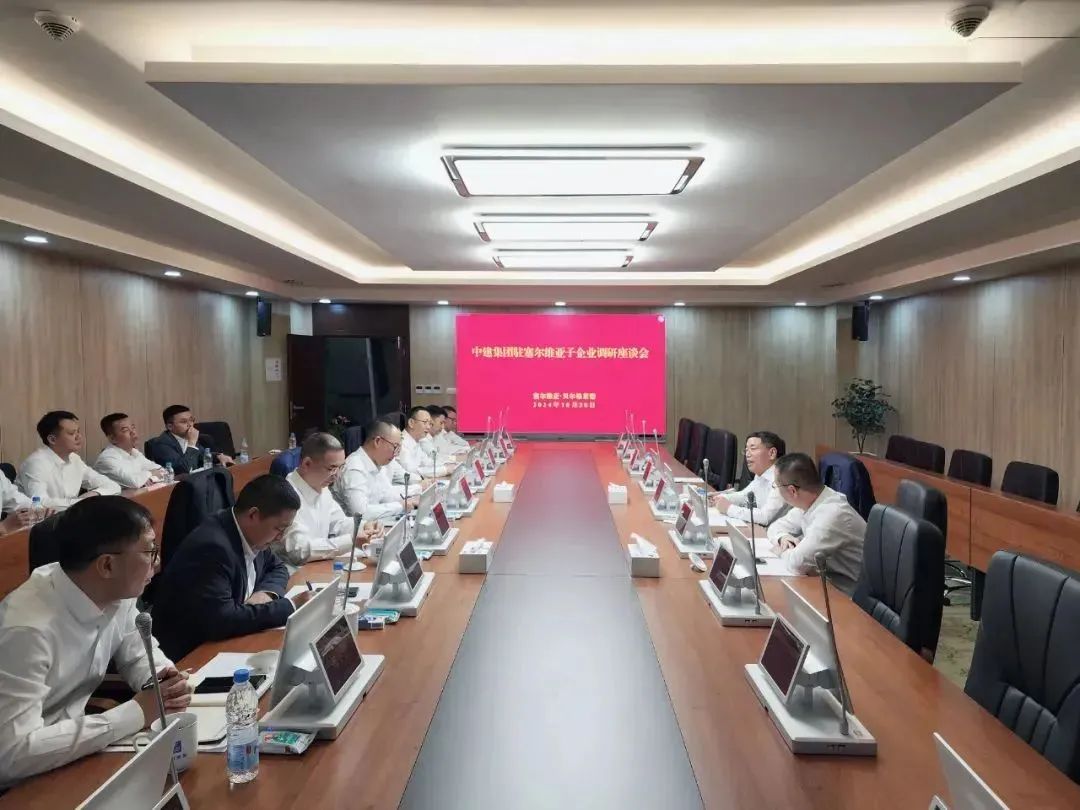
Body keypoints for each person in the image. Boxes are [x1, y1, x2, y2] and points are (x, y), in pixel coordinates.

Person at [0, 496, 191, 787]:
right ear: (107, 565)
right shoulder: (27, 629)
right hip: (21, 779)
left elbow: (138, 653)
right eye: (150, 551)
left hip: (74, 751)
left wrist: (164, 683)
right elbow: (11, 754)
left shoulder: (114, 592)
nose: (158, 562)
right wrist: (136, 712)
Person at [151, 475, 311, 661]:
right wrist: (291, 606)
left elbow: (277, 567)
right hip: (192, 656)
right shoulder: (212, 547)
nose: (280, 537)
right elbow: (222, 620)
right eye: (279, 529)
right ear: (253, 515)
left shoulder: (252, 533)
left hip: (229, 639)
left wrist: (266, 594)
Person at [273, 432, 382, 567]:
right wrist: (351, 540)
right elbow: (299, 551)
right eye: (332, 468)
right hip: (294, 571)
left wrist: (365, 527)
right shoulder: (286, 496)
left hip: (317, 566)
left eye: (340, 468)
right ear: (307, 464)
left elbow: (339, 523)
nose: (336, 475)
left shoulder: (322, 487)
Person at [766, 453, 867, 593]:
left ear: (792, 491)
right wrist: (782, 538)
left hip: (848, 594)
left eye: (776, 486)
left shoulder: (832, 514)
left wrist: (781, 551)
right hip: (824, 581)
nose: (776, 490)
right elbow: (775, 527)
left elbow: (796, 564)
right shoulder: (811, 500)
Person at [16, 411, 121, 510]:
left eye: (78, 431)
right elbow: (39, 503)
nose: (79, 436)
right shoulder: (35, 463)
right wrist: (81, 502)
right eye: (72, 433)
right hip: (39, 521)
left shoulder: (74, 459)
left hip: (70, 516)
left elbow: (113, 486)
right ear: (52, 439)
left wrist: (95, 494)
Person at [333, 418, 417, 520]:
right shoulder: (354, 468)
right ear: (377, 441)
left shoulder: (376, 463)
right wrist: (400, 506)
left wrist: (415, 496)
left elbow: (387, 494)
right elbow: (360, 513)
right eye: (395, 447)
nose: (396, 454)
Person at [709, 431, 789, 526]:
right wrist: (719, 498)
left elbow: (765, 517)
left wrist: (729, 508)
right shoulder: (761, 474)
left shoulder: (782, 479)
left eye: (753, 448)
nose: (747, 454)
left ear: (772, 453)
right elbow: (743, 496)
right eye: (746, 450)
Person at [145, 405, 233, 474]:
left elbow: (201, 455)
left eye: (191, 420)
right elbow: (184, 469)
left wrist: (218, 456)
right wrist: (191, 444)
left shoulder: (186, 436)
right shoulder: (161, 444)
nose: (190, 425)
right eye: (184, 422)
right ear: (170, 426)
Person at [93, 413, 166, 489]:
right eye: (125, 430)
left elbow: (164, 471)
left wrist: (148, 479)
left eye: (133, 427)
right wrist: (151, 473)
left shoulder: (134, 452)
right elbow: (135, 482)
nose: (133, 432)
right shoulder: (106, 459)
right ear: (112, 438)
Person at [397, 407, 451, 480]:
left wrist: (447, 465)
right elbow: (413, 472)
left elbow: (427, 462)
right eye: (425, 422)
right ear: (411, 423)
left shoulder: (416, 441)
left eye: (430, 424)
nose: (428, 427)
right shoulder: (401, 443)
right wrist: (445, 470)